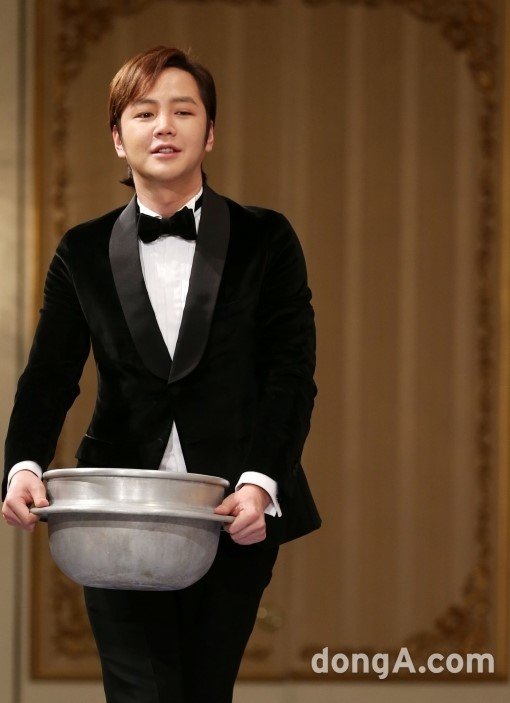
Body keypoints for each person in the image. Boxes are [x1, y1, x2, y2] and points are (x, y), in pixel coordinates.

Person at [1, 46, 320, 702]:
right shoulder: (82, 249)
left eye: (183, 111)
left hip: (231, 509)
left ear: (211, 133)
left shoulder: (266, 238)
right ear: (119, 139)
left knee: (204, 691)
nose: (165, 126)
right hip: (115, 513)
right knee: (139, 691)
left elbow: (290, 373)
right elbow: (50, 373)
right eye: (144, 113)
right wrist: (23, 463)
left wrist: (261, 482)